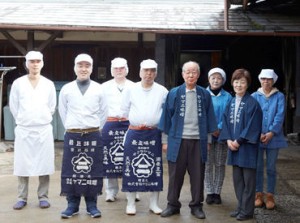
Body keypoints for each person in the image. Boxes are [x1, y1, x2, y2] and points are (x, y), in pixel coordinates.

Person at [159, 61, 218, 220]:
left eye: (194, 72)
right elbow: (166, 118)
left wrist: (209, 140)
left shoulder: (204, 94)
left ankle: (196, 206)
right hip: (177, 141)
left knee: (198, 175)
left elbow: (210, 117)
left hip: (199, 141)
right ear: (183, 74)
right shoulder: (174, 93)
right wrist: (165, 140)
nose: (191, 75)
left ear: (198, 75)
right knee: (175, 175)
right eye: (187, 72)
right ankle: (172, 205)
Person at [58, 53, 108, 218]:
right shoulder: (66, 89)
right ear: (75, 68)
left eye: (87, 66)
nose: (83, 69)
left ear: (91, 68)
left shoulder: (99, 88)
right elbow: (63, 111)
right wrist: (73, 127)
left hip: (93, 134)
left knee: (92, 169)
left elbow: (103, 112)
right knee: (72, 170)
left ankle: (92, 205)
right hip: (72, 134)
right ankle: (72, 204)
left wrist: (93, 128)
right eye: (80, 65)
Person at [120, 59, 168, 215]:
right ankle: (131, 203)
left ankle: (154, 204)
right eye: (146, 70)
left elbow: (166, 114)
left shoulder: (162, 90)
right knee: (130, 167)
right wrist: (138, 121)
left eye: (152, 70)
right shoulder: (131, 89)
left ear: (156, 72)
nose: (149, 73)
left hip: (154, 133)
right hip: (134, 132)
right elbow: (124, 110)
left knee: (155, 168)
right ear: (140, 72)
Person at [9, 51, 56, 210]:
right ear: (26, 63)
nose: (35, 64)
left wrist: (40, 118)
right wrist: (24, 119)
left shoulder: (48, 84)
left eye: (37, 61)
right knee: (23, 164)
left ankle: (43, 196)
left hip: (43, 129)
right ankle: (22, 197)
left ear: (42, 63)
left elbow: (51, 107)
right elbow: (14, 106)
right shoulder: (18, 83)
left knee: (44, 163)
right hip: (24, 129)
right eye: (31, 61)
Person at [218, 68, 262, 221]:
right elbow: (225, 122)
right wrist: (229, 140)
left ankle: (247, 211)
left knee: (249, 181)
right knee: (237, 180)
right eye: (236, 82)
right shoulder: (231, 101)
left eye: (242, 82)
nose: (238, 85)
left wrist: (238, 140)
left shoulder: (253, 103)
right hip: (233, 147)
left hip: (247, 148)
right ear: (232, 83)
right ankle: (241, 207)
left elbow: (252, 126)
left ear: (247, 84)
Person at [102, 57, 139, 202]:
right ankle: (111, 191)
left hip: (129, 124)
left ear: (126, 69)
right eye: (116, 68)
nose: (119, 71)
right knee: (110, 158)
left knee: (131, 156)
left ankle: (133, 189)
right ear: (112, 70)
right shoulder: (104, 86)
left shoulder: (134, 86)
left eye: (122, 68)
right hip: (110, 123)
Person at [252, 69, 288, 210]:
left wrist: (272, 132)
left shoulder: (279, 96)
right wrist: (259, 133)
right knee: (258, 167)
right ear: (260, 80)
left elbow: (280, 116)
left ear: (273, 81)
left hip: (274, 137)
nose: (266, 81)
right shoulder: (255, 96)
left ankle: (270, 195)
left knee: (271, 168)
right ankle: (258, 194)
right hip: (258, 137)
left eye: (269, 79)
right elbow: (253, 115)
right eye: (263, 79)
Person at [204, 67, 232, 205]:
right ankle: (209, 192)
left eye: (219, 78)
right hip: (206, 134)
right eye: (213, 78)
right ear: (209, 79)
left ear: (223, 80)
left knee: (220, 164)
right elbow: (201, 113)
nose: (216, 80)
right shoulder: (203, 94)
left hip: (222, 134)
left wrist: (219, 127)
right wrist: (211, 128)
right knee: (208, 164)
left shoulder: (228, 96)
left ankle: (217, 192)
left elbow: (228, 114)